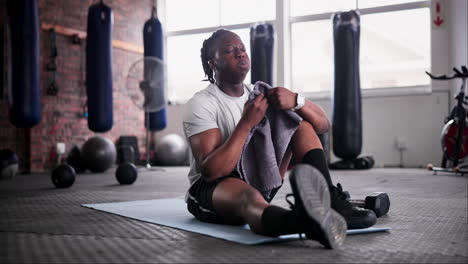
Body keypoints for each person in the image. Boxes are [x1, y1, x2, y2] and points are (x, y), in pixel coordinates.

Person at [182, 29, 376, 249]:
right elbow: (211, 171)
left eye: (242, 49)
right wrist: (246, 124)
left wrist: (297, 100)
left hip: (260, 178)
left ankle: (328, 201)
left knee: (300, 125)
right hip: (214, 189)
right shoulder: (201, 103)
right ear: (213, 63)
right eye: (229, 51)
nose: (240, 54)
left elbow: (322, 125)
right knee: (248, 199)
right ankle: (308, 224)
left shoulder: (259, 94)